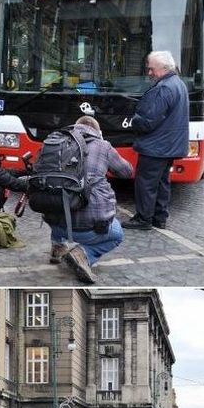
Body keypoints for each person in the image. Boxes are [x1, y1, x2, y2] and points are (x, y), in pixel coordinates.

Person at [44, 115, 133, 283]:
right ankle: (84, 255)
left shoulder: (55, 143)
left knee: (58, 199)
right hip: (90, 228)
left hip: (56, 222)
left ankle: (57, 247)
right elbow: (127, 171)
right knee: (117, 234)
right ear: (97, 132)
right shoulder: (102, 146)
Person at [122, 50, 189, 230]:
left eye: (152, 69)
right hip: (169, 146)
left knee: (146, 184)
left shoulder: (163, 88)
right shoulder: (178, 84)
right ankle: (160, 218)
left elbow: (147, 121)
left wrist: (133, 120)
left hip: (156, 147)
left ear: (163, 68)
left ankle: (143, 219)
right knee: (162, 183)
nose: (149, 73)